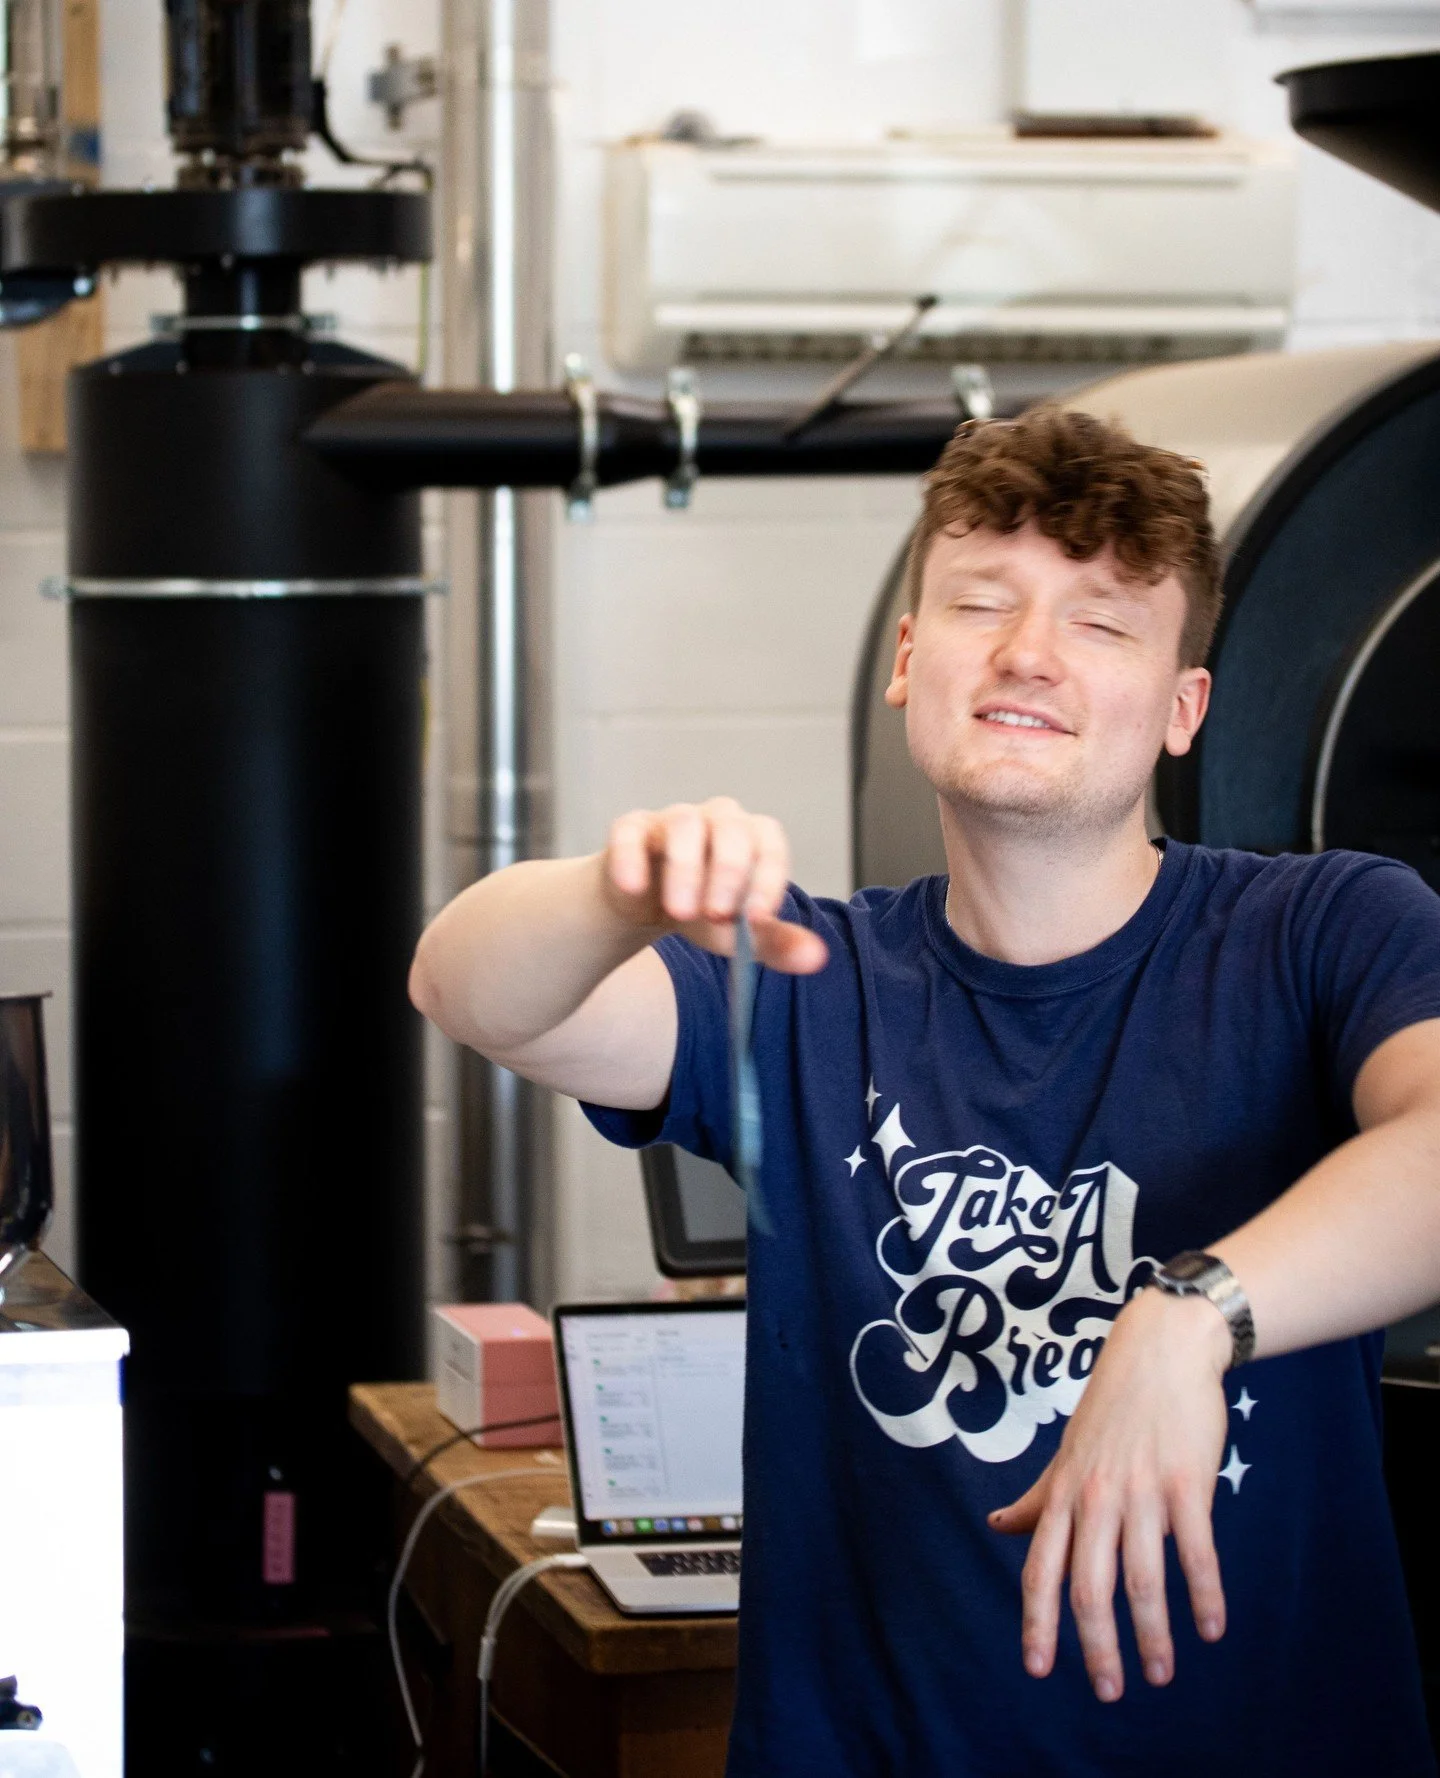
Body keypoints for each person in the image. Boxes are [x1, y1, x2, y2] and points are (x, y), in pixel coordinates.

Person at [409, 406, 1440, 1777]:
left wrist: (1193, 1317)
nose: (1027, 652)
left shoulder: (1325, 931)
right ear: (909, 660)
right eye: (980, 602)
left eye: (1102, 623)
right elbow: (465, 986)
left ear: (1184, 706)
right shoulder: (807, 977)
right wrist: (613, 889)